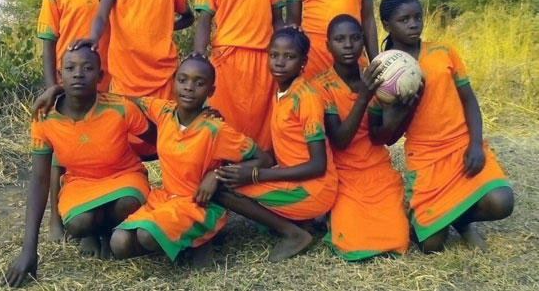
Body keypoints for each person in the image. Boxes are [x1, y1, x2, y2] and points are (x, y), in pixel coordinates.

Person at [369, 0, 514, 253]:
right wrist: (403, 110)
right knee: (431, 246)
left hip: (460, 146)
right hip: (425, 157)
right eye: (404, 19)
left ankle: (460, 219)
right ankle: (446, 219)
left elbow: (469, 100)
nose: (413, 24)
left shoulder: (443, 51)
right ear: (387, 25)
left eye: (417, 17)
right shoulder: (382, 70)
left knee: (502, 202)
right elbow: (384, 138)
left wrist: (475, 144)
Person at [3, 46, 155, 288]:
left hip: (124, 176)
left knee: (128, 203)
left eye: (88, 68)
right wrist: (29, 250)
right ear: (60, 76)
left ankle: (107, 232)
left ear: (101, 76)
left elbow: (160, 142)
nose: (78, 74)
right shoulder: (44, 117)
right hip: (79, 182)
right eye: (70, 68)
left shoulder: (121, 108)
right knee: (78, 224)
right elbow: (40, 180)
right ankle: (92, 232)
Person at [109, 54, 273, 266]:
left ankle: (201, 238)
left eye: (199, 83)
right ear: (173, 82)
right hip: (165, 200)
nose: (189, 87)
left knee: (147, 236)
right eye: (183, 80)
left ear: (211, 91)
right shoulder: (164, 111)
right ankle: (185, 241)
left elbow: (264, 159)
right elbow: (126, 99)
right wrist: (59, 91)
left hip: (198, 205)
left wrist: (217, 175)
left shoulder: (216, 129)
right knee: (119, 243)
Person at [214, 26, 338, 263]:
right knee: (228, 172)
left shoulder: (306, 97)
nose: (279, 63)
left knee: (222, 188)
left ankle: (293, 233)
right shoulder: (282, 92)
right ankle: (301, 221)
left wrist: (256, 175)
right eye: (274, 55)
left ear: (303, 62)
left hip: (313, 188)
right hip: (292, 178)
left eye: (289, 57)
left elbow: (318, 165)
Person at [312, 14, 409, 261]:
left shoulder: (379, 78)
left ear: (363, 41)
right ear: (327, 45)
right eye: (340, 39)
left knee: (397, 237)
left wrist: (402, 112)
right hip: (342, 172)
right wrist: (363, 97)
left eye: (355, 38)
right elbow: (339, 141)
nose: (348, 45)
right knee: (352, 241)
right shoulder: (321, 85)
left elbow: (380, 138)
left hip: (376, 167)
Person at [193, 0, 285, 151]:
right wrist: (200, 56)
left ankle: (258, 177)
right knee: (223, 122)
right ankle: (221, 175)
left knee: (262, 125)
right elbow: (204, 19)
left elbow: (278, 20)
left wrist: (286, 55)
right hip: (226, 59)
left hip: (263, 60)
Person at [37, 0, 110, 242]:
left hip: (99, 79)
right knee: (58, 154)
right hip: (68, 80)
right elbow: (48, 44)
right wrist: (53, 85)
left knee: (94, 146)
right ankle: (55, 219)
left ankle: (96, 216)